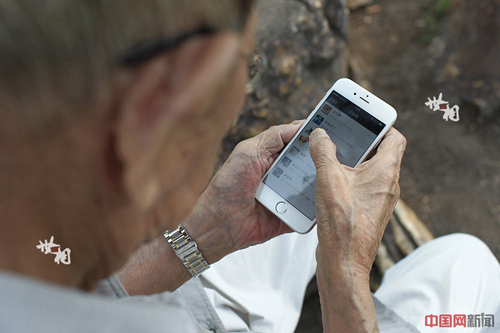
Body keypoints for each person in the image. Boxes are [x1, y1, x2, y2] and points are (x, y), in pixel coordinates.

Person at [0, 1, 498, 333]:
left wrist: (203, 236)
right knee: (467, 265)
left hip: (183, 294)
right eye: (246, 63)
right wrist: (344, 283)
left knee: (300, 213)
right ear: (152, 110)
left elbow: (90, 289)